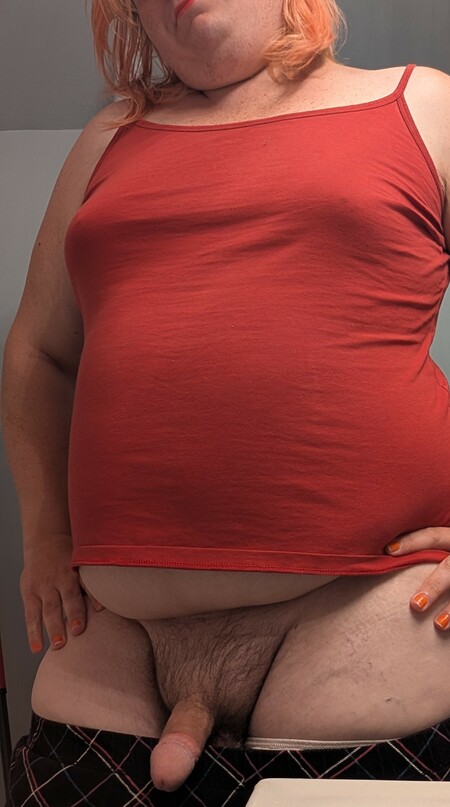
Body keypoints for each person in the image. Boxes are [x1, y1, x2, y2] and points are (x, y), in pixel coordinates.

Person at [2, 0, 450, 803]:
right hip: (113, 657)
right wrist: (43, 533)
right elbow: (39, 352)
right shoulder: (106, 139)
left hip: (368, 639)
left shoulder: (424, 103)